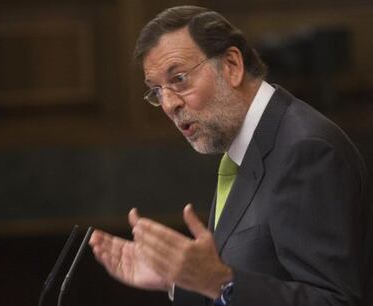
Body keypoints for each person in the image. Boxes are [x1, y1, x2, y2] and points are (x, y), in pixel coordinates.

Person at [89, 5, 371, 306]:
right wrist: (178, 279)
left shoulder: (306, 150)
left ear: (232, 65)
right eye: (157, 91)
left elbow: (334, 302)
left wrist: (219, 280)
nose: (169, 104)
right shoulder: (246, 148)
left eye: (179, 79)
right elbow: (253, 276)